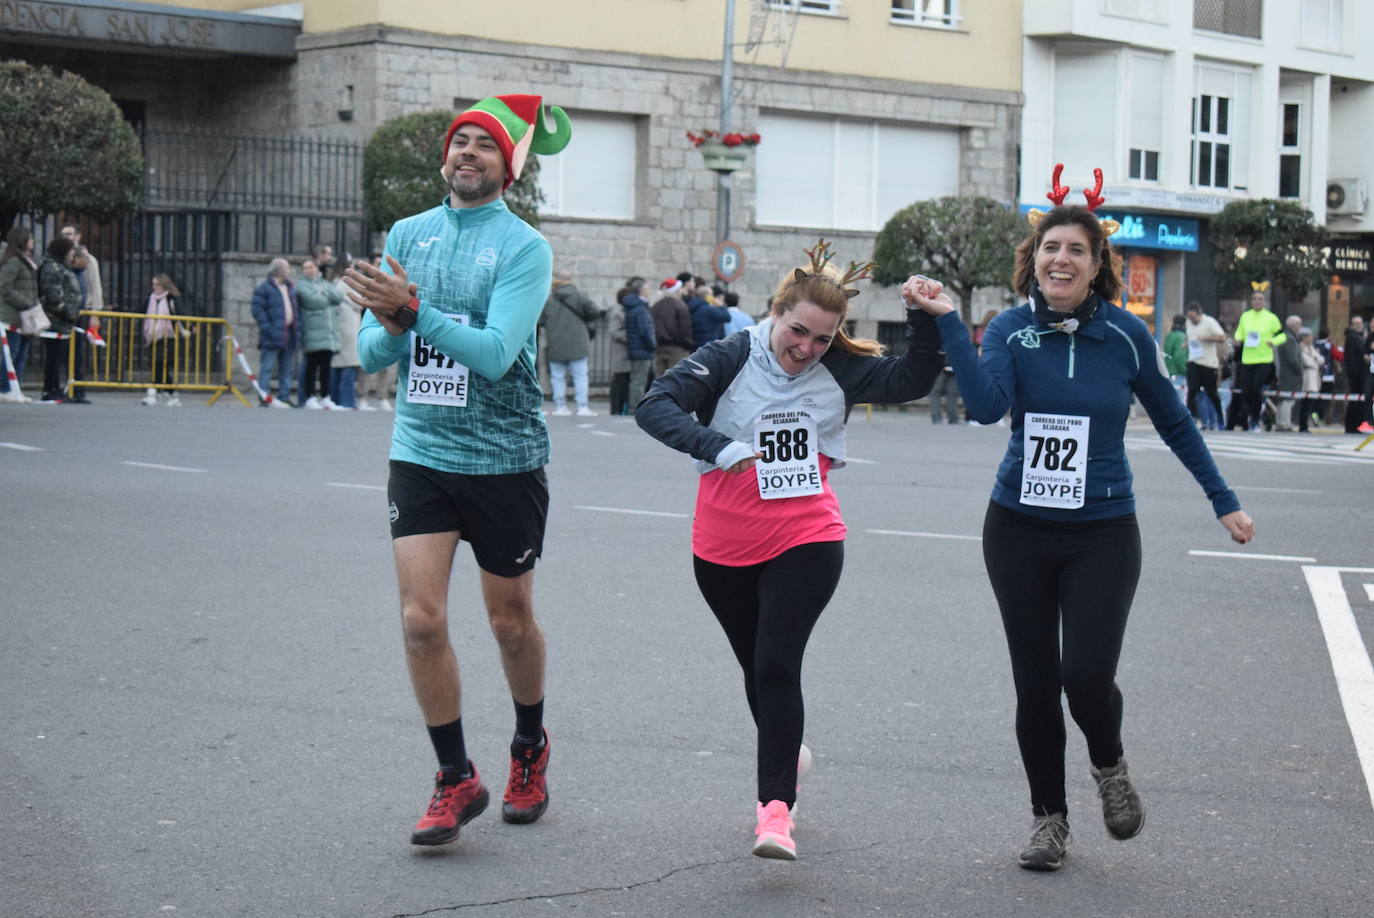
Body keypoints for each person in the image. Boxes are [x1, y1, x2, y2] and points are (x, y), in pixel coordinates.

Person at [904, 179, 1253, 873]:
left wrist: (1224, 499)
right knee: (1034, 684)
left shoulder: (1126, 335)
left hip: (1102, 531)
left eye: (1076, 250)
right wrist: (948, 321)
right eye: (1049, 249)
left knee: (1086, 679)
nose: (1060, 260)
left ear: (1098, 264)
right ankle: (1048, 821)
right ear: (1034, 259)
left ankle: (1109, 764)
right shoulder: (1009, 329)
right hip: (1017, 529)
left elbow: (1177, 422)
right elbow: (981, 407)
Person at [636, 239, 945, 860]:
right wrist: (718, 448)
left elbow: (912, 378)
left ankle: (775, 811)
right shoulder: (730, 355)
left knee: (777, 663)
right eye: (797, 332)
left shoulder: (841, 368)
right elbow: (654, 406)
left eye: (822, 341)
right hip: (722, 542)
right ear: (776, 313)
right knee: (758, 669)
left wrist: (922, 318)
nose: (805, 350)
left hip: (807, 534)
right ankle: (788, 751)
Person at [342, 93, 571, 847]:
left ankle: (529, 748)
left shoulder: (524, 248)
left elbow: (495, 354)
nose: (467, 151)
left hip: (504, 458)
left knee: (509, 622)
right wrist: (382, 326)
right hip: (423, 450)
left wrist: (412, 317)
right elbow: (373, 355)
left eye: (484, 145)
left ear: (507, 168)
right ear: (445, 158)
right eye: (459, 141)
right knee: (420, 617)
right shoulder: (409, 233)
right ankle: (454, 777)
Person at [540, 267, 603, 416]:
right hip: (578, 342)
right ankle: (582, 406)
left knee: (557, 376)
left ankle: (560, 406)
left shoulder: (548, 298)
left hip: (555, 342)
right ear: (570, 280)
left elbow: (540, 320)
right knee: (580, 375)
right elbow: (594, 311)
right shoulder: (580, 295)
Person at [1231, 284, 1285, 431]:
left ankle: (1255, 418)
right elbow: (1239, 333)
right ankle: (1253, 415)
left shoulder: (1271, 318)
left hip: (1264, 359)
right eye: (1254, 299)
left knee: (1256, 390)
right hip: (1247, 359)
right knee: (1246, 391)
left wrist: (1272, 342)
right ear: (1251, 301)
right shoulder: (1245, 316)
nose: (1257, 301)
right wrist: (1237, 339)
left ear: (1264, 302)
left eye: (1260, 299)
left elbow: (1282, 335)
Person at [37, 236, 82, 403]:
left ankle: (55, 388)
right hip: (55, 320)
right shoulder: (53, 268)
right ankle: (50, 389)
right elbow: (53, 296)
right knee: (53, 356)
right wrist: (68, 313)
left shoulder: (62, 267)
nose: (73, 254)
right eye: (71, 251)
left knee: (58, 356)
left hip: (62, 321)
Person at [250, 258, 299, 408]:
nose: (289, 271)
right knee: (267, 366)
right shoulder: (264, 288)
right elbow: (257, 310)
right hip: (272, 334)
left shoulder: (290, 288)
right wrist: (267, 328)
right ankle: (264, 396)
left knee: (287, 368)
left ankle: (284, 396)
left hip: (288, 333)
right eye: (286, 268)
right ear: (278, 270)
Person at [297, 258, 343, 409]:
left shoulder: (324, 284)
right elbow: (314, 301)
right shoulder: (301, 285)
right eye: (305, 267)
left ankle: (325, 396)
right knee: (311, 366)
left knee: (326, 367)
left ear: (317, 269)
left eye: (311, 267)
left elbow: (338, 296)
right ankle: (309, 396)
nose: (309, 270)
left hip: (328, 333)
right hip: (312, 331)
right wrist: (326, 295)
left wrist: (324, 293)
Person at [0, 225, 39, 403]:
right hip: (13, 315)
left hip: (26, 316)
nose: (33, 241)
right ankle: (5, 388)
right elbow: (5, 288)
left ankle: (16, 388)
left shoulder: (27, 261)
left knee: (21, 354)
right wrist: (27, 303)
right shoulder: (13, 262)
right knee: (11, 353)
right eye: (30, 238)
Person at [142, 274, 187, 407]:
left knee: (160, 364)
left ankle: (152, 393)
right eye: (153, 284)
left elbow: (181, 313)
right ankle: (172, 394)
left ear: (164, 285)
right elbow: (138, 310)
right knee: (158, 365)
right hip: (153, 336)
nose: (155, 287)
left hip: (168, 336)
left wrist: (190, 326)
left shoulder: (171, 298)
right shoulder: (151, 298)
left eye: (157, 284)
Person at [1184, 302, 1226, 430]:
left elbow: (1222, 337)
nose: (1192, 321)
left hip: (1208, 363)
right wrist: (1186, 343)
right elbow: (1191, 338)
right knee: (1192, 390)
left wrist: (1207, 338)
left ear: (1200, 314)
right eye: (1190, 318)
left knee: (1211, 393)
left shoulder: (1210, 322)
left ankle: (1220, 417)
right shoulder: (1188, 323)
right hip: (1193, 361)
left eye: (1194, 318)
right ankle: (1192, 417)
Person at [620, 277, 655, 412]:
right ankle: (635, 408)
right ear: (641, 291)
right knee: (638, 381)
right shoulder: (640, 308)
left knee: (637, 380)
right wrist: (652, 344)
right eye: (647, 289)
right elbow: (645, 330)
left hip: (637, 348)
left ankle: (635, 406)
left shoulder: (634, 306)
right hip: (642, 349)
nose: (649, 292)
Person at [650, 276, 693, 377]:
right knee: (676, 378)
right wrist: (687, 344)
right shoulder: (681, 306)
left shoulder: (655, 306)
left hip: (659, 347)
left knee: (660, 378)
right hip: (677, 347)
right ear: (677, 290)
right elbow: (685, 329)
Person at [1273, 314, 1304, 431]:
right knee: (1289, 399)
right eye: (1298, 324)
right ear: (1293, 325)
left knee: (1283, 398)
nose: (1299, 327)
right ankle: (1285, 423)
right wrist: (1298, 370)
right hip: (1290, 374)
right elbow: (1292, 358)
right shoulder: (1290, 339)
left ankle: (1280, 422)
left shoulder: (1285, 337)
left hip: (1284, 373)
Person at [688, 276, 731, 350]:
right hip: (707, 346)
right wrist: (721, 306)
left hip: (694, 345)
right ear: (708, 297)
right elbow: (727, 317)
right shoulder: (709, 310)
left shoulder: (691, 306)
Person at [1343, 316, 1367, 433]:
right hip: (1357, 375)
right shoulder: (1354, 338)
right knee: (1357, 401)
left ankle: (1353, 425)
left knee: (1356, 400)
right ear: (1351, 325)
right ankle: (1354, 425)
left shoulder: (1355, 337)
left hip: (1356, 374)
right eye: (1356, 323)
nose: (1359, 325)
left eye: (1360, 323)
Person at [1297, 327, 1321, 433]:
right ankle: (1302, 425)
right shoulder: (1300, 348)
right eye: (1309, 336)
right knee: (1305, 403)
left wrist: (1315, 360)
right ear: (1304, 337)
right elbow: (1307, 362)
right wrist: (1315, 360)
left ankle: (1305, 424)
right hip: (1307, 378)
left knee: (1311, 403)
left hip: (1315, 378)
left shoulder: (1312, 348)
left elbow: (1321, 360)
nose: (1311, 338)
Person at [1162, 313, 1188, 404]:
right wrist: (1185, 370)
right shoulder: (1182, 337)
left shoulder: (1169, 336)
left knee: (1170, 402)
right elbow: (1179, 356)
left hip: (1169, 372)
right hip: (1178, 374)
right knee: (1181, 402)